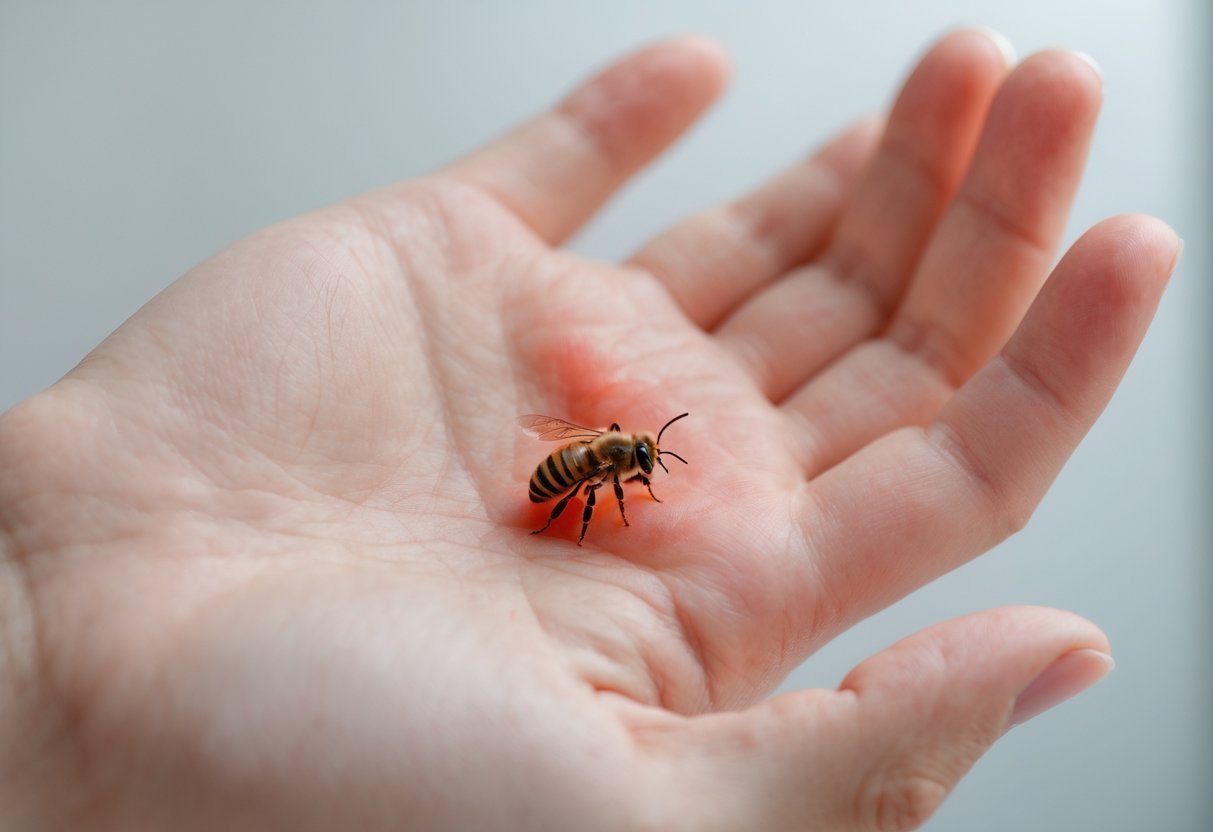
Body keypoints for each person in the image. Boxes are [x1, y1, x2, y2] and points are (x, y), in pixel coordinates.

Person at [0, 29, 1179, 831]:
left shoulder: (610, 456)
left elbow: (590, 459)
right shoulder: (600, 476)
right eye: (635, 461)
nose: (633, 471)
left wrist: (45, 627)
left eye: (631, 463)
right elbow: (582, 476)